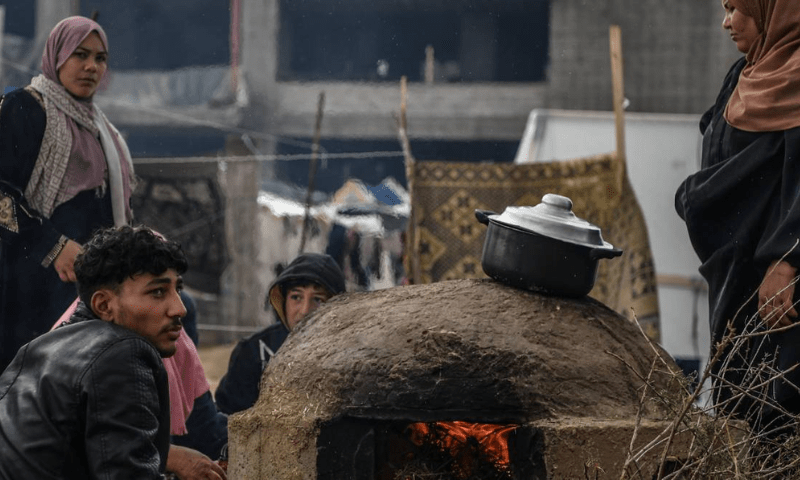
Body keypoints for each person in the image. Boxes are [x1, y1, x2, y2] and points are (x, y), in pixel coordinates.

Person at [0, 225, 227, 479]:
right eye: (158, 292)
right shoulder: (122, 352)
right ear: (104, 304)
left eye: (178, 290)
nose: (179, 309)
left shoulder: (41, 347)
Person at [675, 0, 800, 425]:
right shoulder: (743, 75)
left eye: (735, 8)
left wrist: (787, 259)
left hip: (782, 288)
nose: (726, 22)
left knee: (778, 408)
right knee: (735, 402)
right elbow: (721, 155)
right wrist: (697, 197)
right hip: (737, 275)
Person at [0, 16, 136, 371]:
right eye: (80, 55)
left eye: (100, 58)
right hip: (29, 284)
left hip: (88, 288)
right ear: (56, 56)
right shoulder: (24, 109)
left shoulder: (103, 130)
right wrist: (54, 246)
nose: (92, 66)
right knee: (28, 385)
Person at [214, 253, 346, 414]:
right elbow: (229, 418)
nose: (305, 311)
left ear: (337, 306)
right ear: (283, 301)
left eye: (317, 299)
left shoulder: (349, 357)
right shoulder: (254, 352)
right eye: (296, 297)